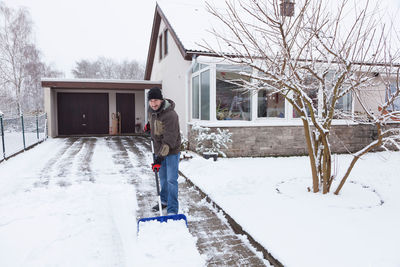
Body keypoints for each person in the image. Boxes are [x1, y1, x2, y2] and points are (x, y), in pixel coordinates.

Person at [144, 87, 181, 215]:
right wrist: (150, 125)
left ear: (161, 100)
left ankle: (172, 209)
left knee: (171, 180)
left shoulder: (171, 115)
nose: (153, 104)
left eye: (156, 100)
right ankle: (164, 201)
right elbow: (153, 120)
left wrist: (159, 159)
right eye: (151, 101)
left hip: (170, 151)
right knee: (163, 179)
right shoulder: (151, 110)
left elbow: (169, 141)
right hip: (158, 150)